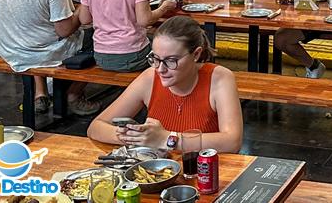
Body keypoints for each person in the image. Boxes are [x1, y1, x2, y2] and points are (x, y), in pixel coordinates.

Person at [87, 16, 243, 154]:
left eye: (171, 60)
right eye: (155, 58)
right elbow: (96, 127)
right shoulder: (150, 77)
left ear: (196, 54)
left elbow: (232, 142)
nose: (160, 69)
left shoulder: (219, 78)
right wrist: (138, 137)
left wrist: (167, 139)